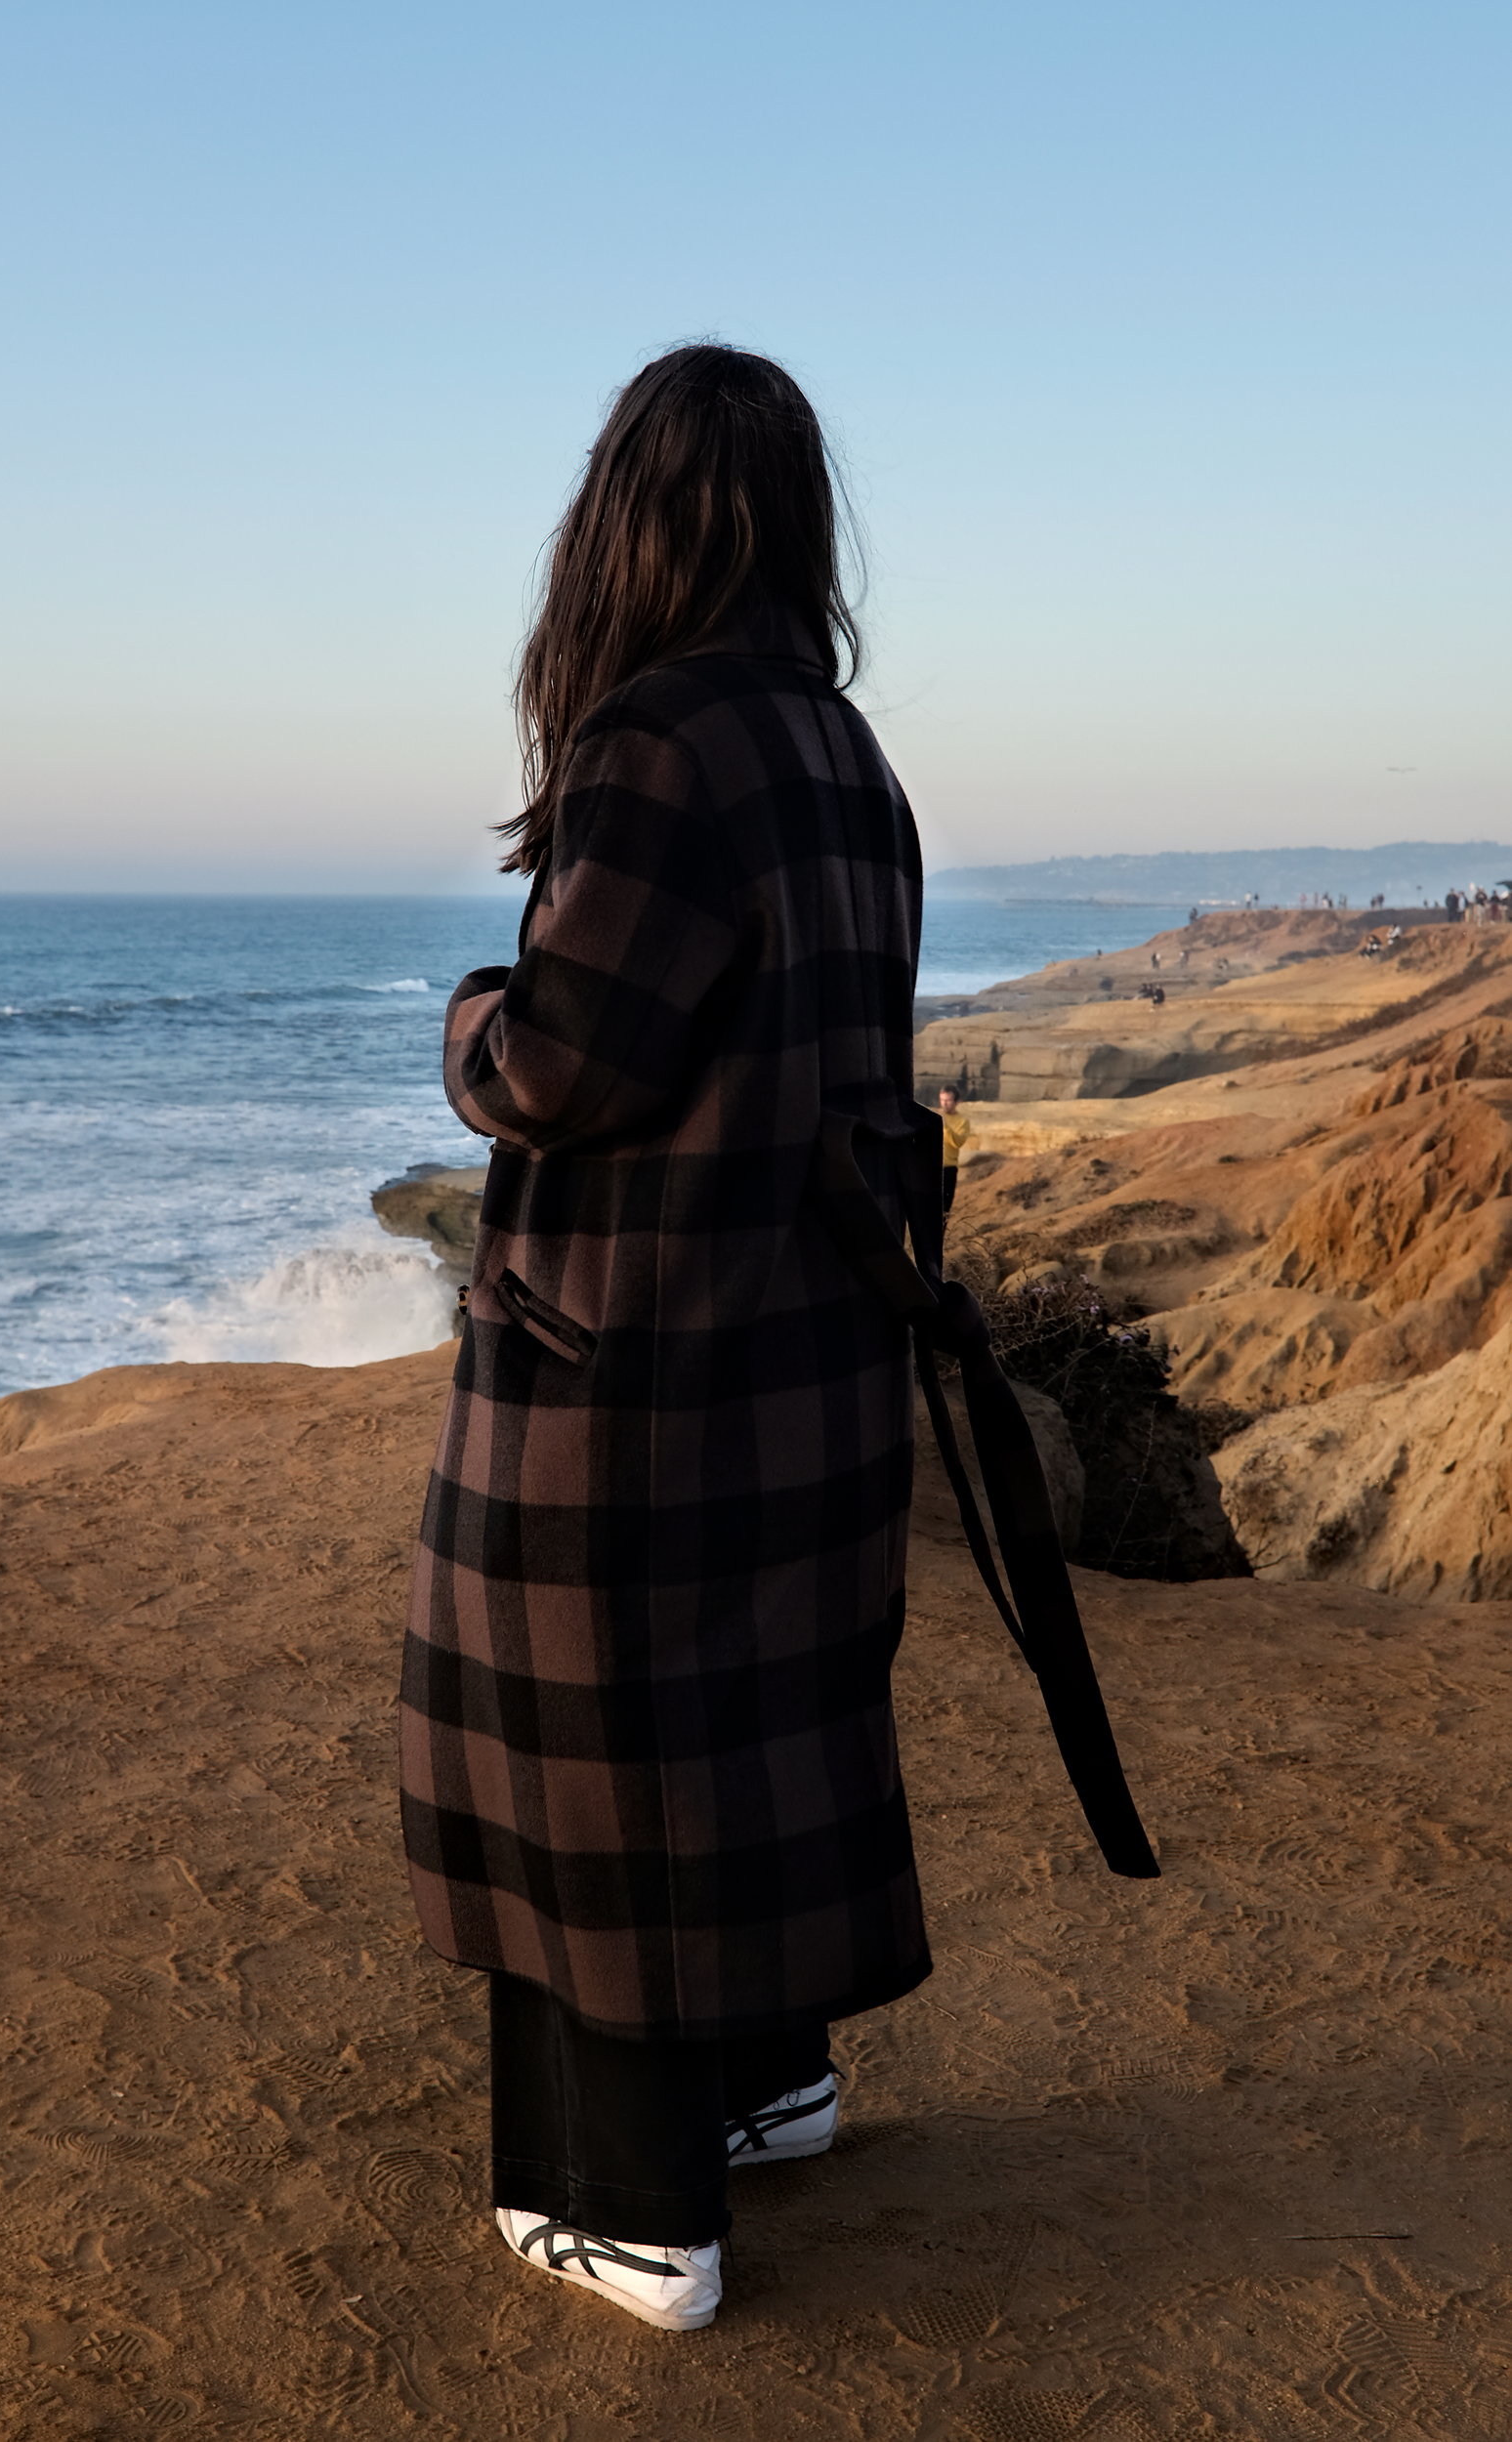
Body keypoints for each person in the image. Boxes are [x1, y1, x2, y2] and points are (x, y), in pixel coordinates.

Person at [399, 346, 930, 2336]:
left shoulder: (657, 745)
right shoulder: (837, 751)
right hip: (801, 1366)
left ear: (623, 520)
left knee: (588, 1766)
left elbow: (558, 1064)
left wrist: (464, 1017)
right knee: (758, 1715)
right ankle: (768, 2079)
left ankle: (633, 2211)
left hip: (625, 1376)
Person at [938, 1083, 973, 1211]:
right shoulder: (935, 1117)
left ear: (957, 1101)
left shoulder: (962, 1121)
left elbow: (957, 1142)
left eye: (948, 1100)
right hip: (931, 1168)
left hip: (948, 1169)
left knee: (944, 1208)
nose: (944, 1103)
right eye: (942, 1100)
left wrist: (944, 1126)